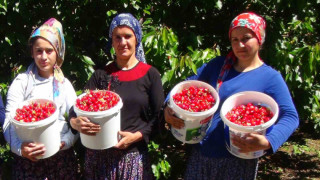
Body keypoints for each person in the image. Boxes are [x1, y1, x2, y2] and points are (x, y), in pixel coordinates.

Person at [164, 12, 299, 179]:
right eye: (235, 39)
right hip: (202, 153)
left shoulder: (270, 78)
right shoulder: (218, 65)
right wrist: (169, 105)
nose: (240, 44)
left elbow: (291, 116)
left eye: (246, 38)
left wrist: (269, 141)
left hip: (239, 159)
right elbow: (188, 84)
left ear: (259, 39)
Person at [69, 13, 164, 179]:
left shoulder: (150, 75)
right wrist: (75, 122)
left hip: (133, 158)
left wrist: (137, 136)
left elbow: (160, 118)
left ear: (137, 39)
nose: (123, 43)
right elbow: (76, 107)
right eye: (117, 37)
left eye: (128, 36)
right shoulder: (101, 76)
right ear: (111, 41)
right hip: (98, 158)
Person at [2, 18, 79, 179]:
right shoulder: (22, 83)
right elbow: (9, 122)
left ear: (57, 52)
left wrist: (65, 142)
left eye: (49, 51)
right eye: (39, 51)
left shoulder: (63, 84)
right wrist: (20, 149)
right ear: (32, 52)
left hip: (60, 162)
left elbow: (75, 121)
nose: (43, 56)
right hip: (29, 162)